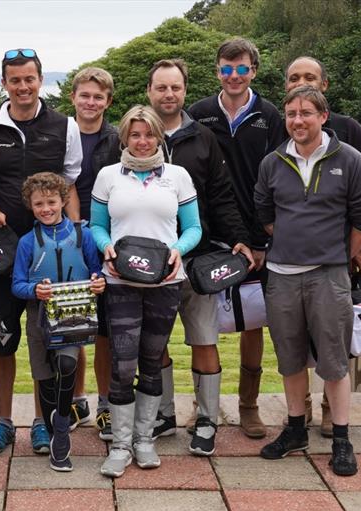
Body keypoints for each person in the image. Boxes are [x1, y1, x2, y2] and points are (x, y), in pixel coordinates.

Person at [255, 85, 361, 476]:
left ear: (323, 116)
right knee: (290, 359)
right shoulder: (273, 162)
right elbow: (266, 213)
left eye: (306, 113)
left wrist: (340, 254)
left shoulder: (350, 159)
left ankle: (341, 439)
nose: (297, 120)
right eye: (291, 113)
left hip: (329, 276)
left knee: (334, 361)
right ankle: (295, 431)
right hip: (282, 277)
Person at [0, 48, 82, 455]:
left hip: (48, 253)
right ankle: (1, 421)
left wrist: (76, 238)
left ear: (40, 80)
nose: (22, 87)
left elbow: (68, 187)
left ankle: (40, 419)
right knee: (1, 339)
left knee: (48, 341)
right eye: (14, 80)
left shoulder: (64, 126)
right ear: (4, 84)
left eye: (29, 79)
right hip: (1, 252)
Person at [146, 59, 254, 456]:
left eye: (175, 87)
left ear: (184, 91)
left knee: (204, 341)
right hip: (149, 262)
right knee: (155, 343)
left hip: (198, 258)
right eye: (161, 88)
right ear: (150, 91)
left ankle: (207, 418)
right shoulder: (135, 135)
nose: (169, 94)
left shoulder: (204, 138)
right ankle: (163, 415)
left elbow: (222, 196)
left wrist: (238, 238)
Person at [91, 105, 202, 477]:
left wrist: (178, 250)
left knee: (152, 362)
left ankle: (144, 440)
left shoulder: (178, 176)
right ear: (125, 137)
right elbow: (96, 225)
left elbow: (193, 229)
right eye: (135, 134)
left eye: (149, 134)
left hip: (165, 282)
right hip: (121, 280)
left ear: (159, 136)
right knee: (122, 365)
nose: (142, 141)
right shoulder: (108, 176)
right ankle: (121, 445)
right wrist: (105, 245)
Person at [188, 38, 287, 438]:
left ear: (254, 71)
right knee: (199, 324)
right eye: (226, 69)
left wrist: (261, 238)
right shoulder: (199, 114)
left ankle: (248, 406)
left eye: (241, 68)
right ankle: (203, 408)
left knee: (253, 321)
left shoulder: (269, 115)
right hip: (205, 234)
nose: (234, 76)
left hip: (256, 233)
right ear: (217, 72)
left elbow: (280, 175)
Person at [284, 56, 361, 436]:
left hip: (336, 259)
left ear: (324, 87)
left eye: (309, 77)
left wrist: (358, 248)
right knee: (292, 344)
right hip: (289, 262)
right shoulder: (282, 131)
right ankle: (298, 412)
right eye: (294, 77)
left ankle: (331, 412)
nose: (301, 81)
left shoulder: (349, 131)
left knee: (335, 339)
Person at [11, 172, 105, 471]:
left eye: (51, 202)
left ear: (64, 201)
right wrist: (35, 290)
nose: (46, 208)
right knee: (45, 377)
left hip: (74, 316)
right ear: (30, 205)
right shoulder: (28, 242)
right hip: (39, 317)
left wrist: (98, 282)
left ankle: (62, 431)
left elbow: (98, 270)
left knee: (67, 366)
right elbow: (17, 284)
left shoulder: (82, 235)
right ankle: (53, 427)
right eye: (38, 204)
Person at [67, 67, 121, 440]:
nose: (91, 102)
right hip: (67, 234)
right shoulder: (60, 133)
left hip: (108, 236)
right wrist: (74, 227)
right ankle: (76, 399)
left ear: (108, 101)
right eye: (85, 95)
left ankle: (105, 402)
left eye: (98, 97)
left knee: (104, 328)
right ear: (73, 97)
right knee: (71, 324)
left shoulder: (117, 138)